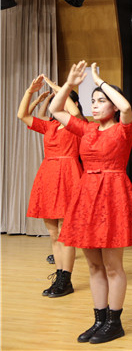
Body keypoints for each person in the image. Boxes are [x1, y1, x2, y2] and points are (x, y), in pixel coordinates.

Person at [50, 61, 132, 344]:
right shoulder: (87, 130)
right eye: (92, 101)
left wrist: (98, 80)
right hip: (87, 196)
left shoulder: (124, 129)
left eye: (101, 101)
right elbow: (56, 109)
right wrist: (70, 84)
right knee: (93, 265)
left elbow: (126, 107)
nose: (95, 105)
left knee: (113, 265)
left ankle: (115, 322)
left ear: (113, 106)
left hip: (113, 195)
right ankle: (99, 319)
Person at [17, 75, 83, 297]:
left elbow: (73, 112)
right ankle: (59, 275)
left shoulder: (76, 124)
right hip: (48, 175)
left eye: (60, 99)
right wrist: (30, 91)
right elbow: (22, 115)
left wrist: (59, 88)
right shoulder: (50, 126)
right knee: (54, 233)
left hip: (68, 175)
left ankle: (66, 279)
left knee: (65, 232)